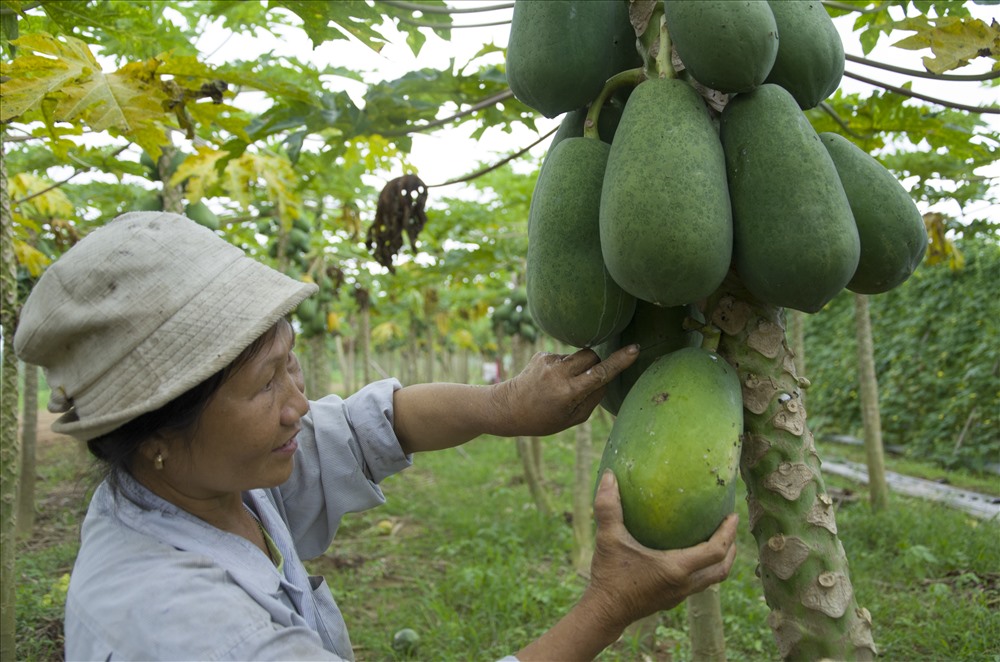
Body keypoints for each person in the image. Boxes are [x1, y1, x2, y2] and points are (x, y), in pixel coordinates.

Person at [14, 211, 738, 661]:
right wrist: (608, 605)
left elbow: (366, 429)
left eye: (292, 363)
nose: (300, 402)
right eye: (268, 384)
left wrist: (502, 405)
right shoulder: (179, 628)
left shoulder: (201, 485)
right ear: (154, 434)